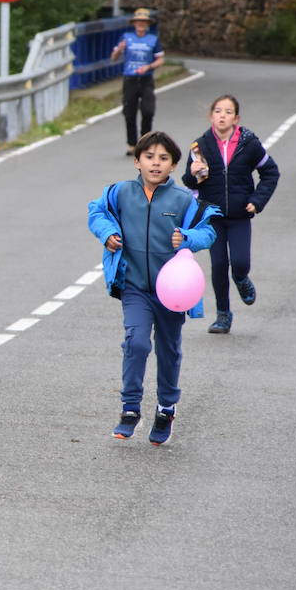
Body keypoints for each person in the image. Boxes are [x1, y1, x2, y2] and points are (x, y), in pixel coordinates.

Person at [87, 131, 219, 446]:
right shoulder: (120, 193)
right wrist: (107, 233)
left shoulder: (184, 200)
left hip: (172, 290)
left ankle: (166, 408)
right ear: (137, 161)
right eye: (149, 157)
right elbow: (97, 212)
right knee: (136, 343)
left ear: (173, 165)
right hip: (134, 285)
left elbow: (208, 230)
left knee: (168, 349)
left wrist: (187, 239)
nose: (155, 163)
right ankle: (130, 408)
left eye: (163, 159)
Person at [183, 94, 281, 334]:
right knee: (218, 265)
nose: (222, 116)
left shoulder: (249, 144)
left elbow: (271, 172)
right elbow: (190, 184)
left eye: (228, 112)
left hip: (239, 215)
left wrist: (257, 201)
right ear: (211, 116)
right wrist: (192, 173)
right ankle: (223, 315)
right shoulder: (200, 146)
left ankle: (241, 278)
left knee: (239, 262)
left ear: (236, 118)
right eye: (218, 111)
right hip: (213, 216)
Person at [109, 8, 165, 155]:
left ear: (147, 24)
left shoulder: (153, 39)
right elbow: (113, 58)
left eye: (144, 22)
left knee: (148, 111)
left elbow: (160, 59)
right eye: (138, 22)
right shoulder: (126, 37)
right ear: (134, 23)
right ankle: (132, 144)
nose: (141, 24)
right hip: (130, 78)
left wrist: (149, 66)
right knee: (129, 112)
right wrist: (119, 50)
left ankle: (145, 143)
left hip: (146, 79)